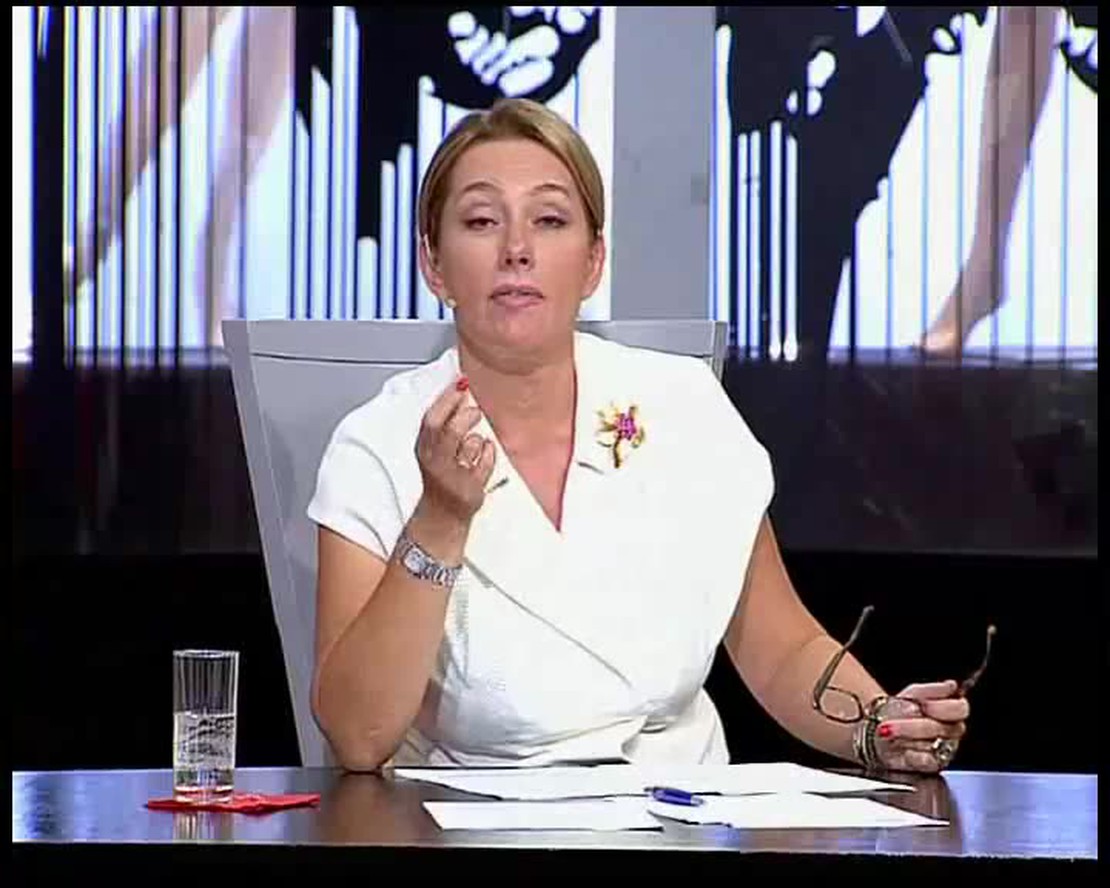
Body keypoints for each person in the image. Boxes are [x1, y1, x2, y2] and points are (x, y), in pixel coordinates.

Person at [306, 98, 976, 773]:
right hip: (473, 818)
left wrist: (879, 727)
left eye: (549, 220)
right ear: (433, 263)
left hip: (681, 814)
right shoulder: (378, 445)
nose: (517, 250)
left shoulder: (683, 407)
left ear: (593, 261)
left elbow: (782, 649)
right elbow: (359, 737)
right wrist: (439, 521)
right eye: (482, 221)